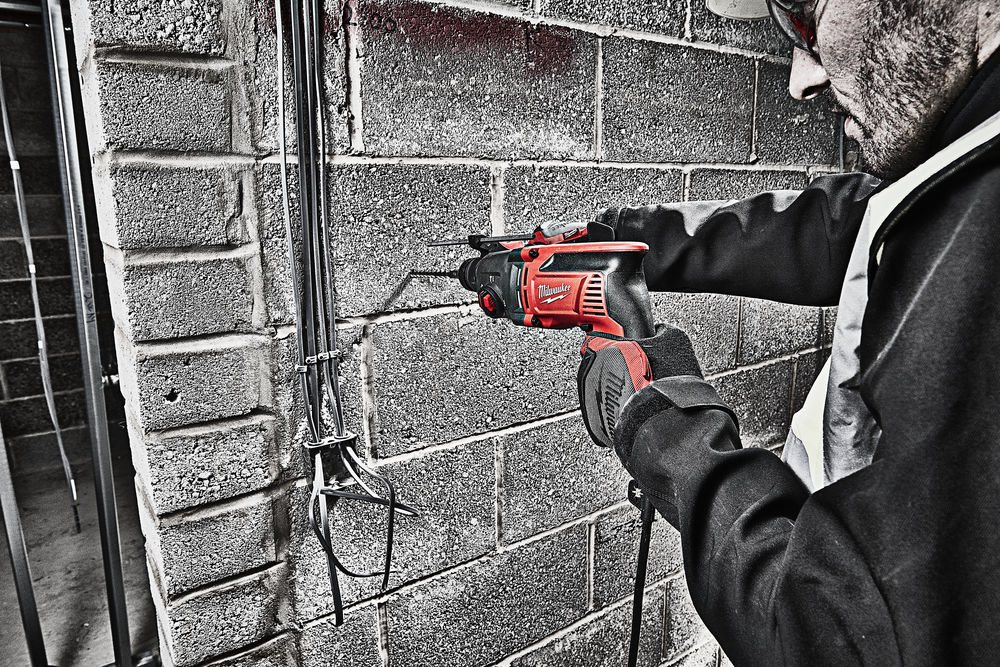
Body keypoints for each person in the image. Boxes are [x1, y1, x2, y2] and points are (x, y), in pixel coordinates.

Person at [576, 0, 1000, 663]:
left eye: (805, 17)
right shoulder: (964, 158)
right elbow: (844, 224)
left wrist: (661, 420)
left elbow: (830, 638)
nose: (802, 79)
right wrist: (619, 239)